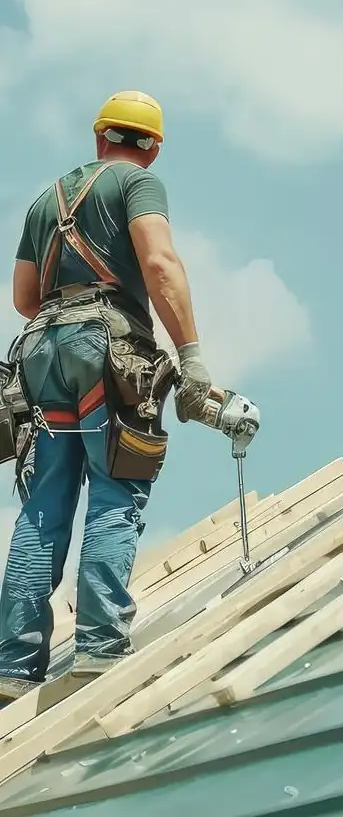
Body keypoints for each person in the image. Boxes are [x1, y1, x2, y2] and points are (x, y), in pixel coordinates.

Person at [0, 90, 214, 703]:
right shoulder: (137, 185)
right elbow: (160, 263)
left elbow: (22, 296)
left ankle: (14, 665)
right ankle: (99, 648)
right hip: (107, 351)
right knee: (116, 491)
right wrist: (191, 353)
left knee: (43, 504)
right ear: (154, 147)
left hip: (40, 351)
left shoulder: (46, 200)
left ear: (99, 135)